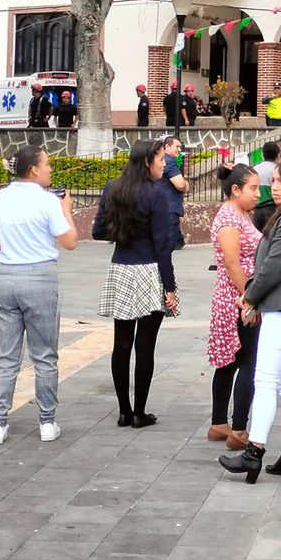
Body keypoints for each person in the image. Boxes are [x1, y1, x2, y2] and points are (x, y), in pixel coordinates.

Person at [221, 161, 281, 482]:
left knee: (265, 381)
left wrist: (250, 296)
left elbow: (275, 265)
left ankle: (254, 453)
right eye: (272, 180)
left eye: (280, 181)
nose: (273, 186)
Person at [0, 146, 77, 445]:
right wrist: (66, 210)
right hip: (39, 276)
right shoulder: (47, 201)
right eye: (47, 164)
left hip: (7, 275)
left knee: (5, 356)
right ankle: (47, 421)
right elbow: (70, 242)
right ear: (34, 169)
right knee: (44, 355)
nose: (50, 168)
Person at [94, 139, 179, 428]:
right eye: (160, 159)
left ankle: (123, 410)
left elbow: (97, 231)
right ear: (146, 161)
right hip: (148, 270)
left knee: (121, 343)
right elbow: (162, 245)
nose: (164, 164)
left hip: (121, 268)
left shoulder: (112, 188)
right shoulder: (157, 195)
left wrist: (122, 231)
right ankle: (140, 412)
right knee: (145, 346)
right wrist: (170, 287)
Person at [208, 165, 262, 448]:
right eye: (253, 188)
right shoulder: (229, 217)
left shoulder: (242, 214)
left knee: (232, 361)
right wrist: (249, 300)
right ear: (235, 190)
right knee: (247, 363)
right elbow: (231, 263)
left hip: (238, 296)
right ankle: (238, 428)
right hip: (236, 298)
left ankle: (220, 423)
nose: (258, 193)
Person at [252, 141, 281, 232]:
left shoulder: (254, 169)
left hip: (256, 210)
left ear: (263, 154)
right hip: (272, 209)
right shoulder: (277, 170)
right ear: (277, 155)